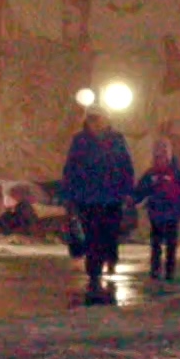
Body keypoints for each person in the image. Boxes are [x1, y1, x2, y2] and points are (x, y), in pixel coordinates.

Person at [58, 105, 137, 300]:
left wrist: (128, 191)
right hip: (88, 198)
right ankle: (94, 272)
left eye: (98, 118)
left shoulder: (116, 140)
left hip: (112, 197)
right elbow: (71, 169)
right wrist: (68, 195)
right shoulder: (80, 141)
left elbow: (126, 165)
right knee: (92, 234)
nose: (95, 122)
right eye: (92, 119)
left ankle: (108, 258)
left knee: (109, 232)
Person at [137, 135, 180, 284]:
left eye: (163, 156)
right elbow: (141, 189)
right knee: (156, 244)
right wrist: (134, 199)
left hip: (171, 214)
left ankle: (169, 270)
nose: (160, 160)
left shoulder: (175, 174)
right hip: (156, 214)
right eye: (158, 156)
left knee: (171, 244)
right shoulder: (151, 174)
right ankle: (155, 269)